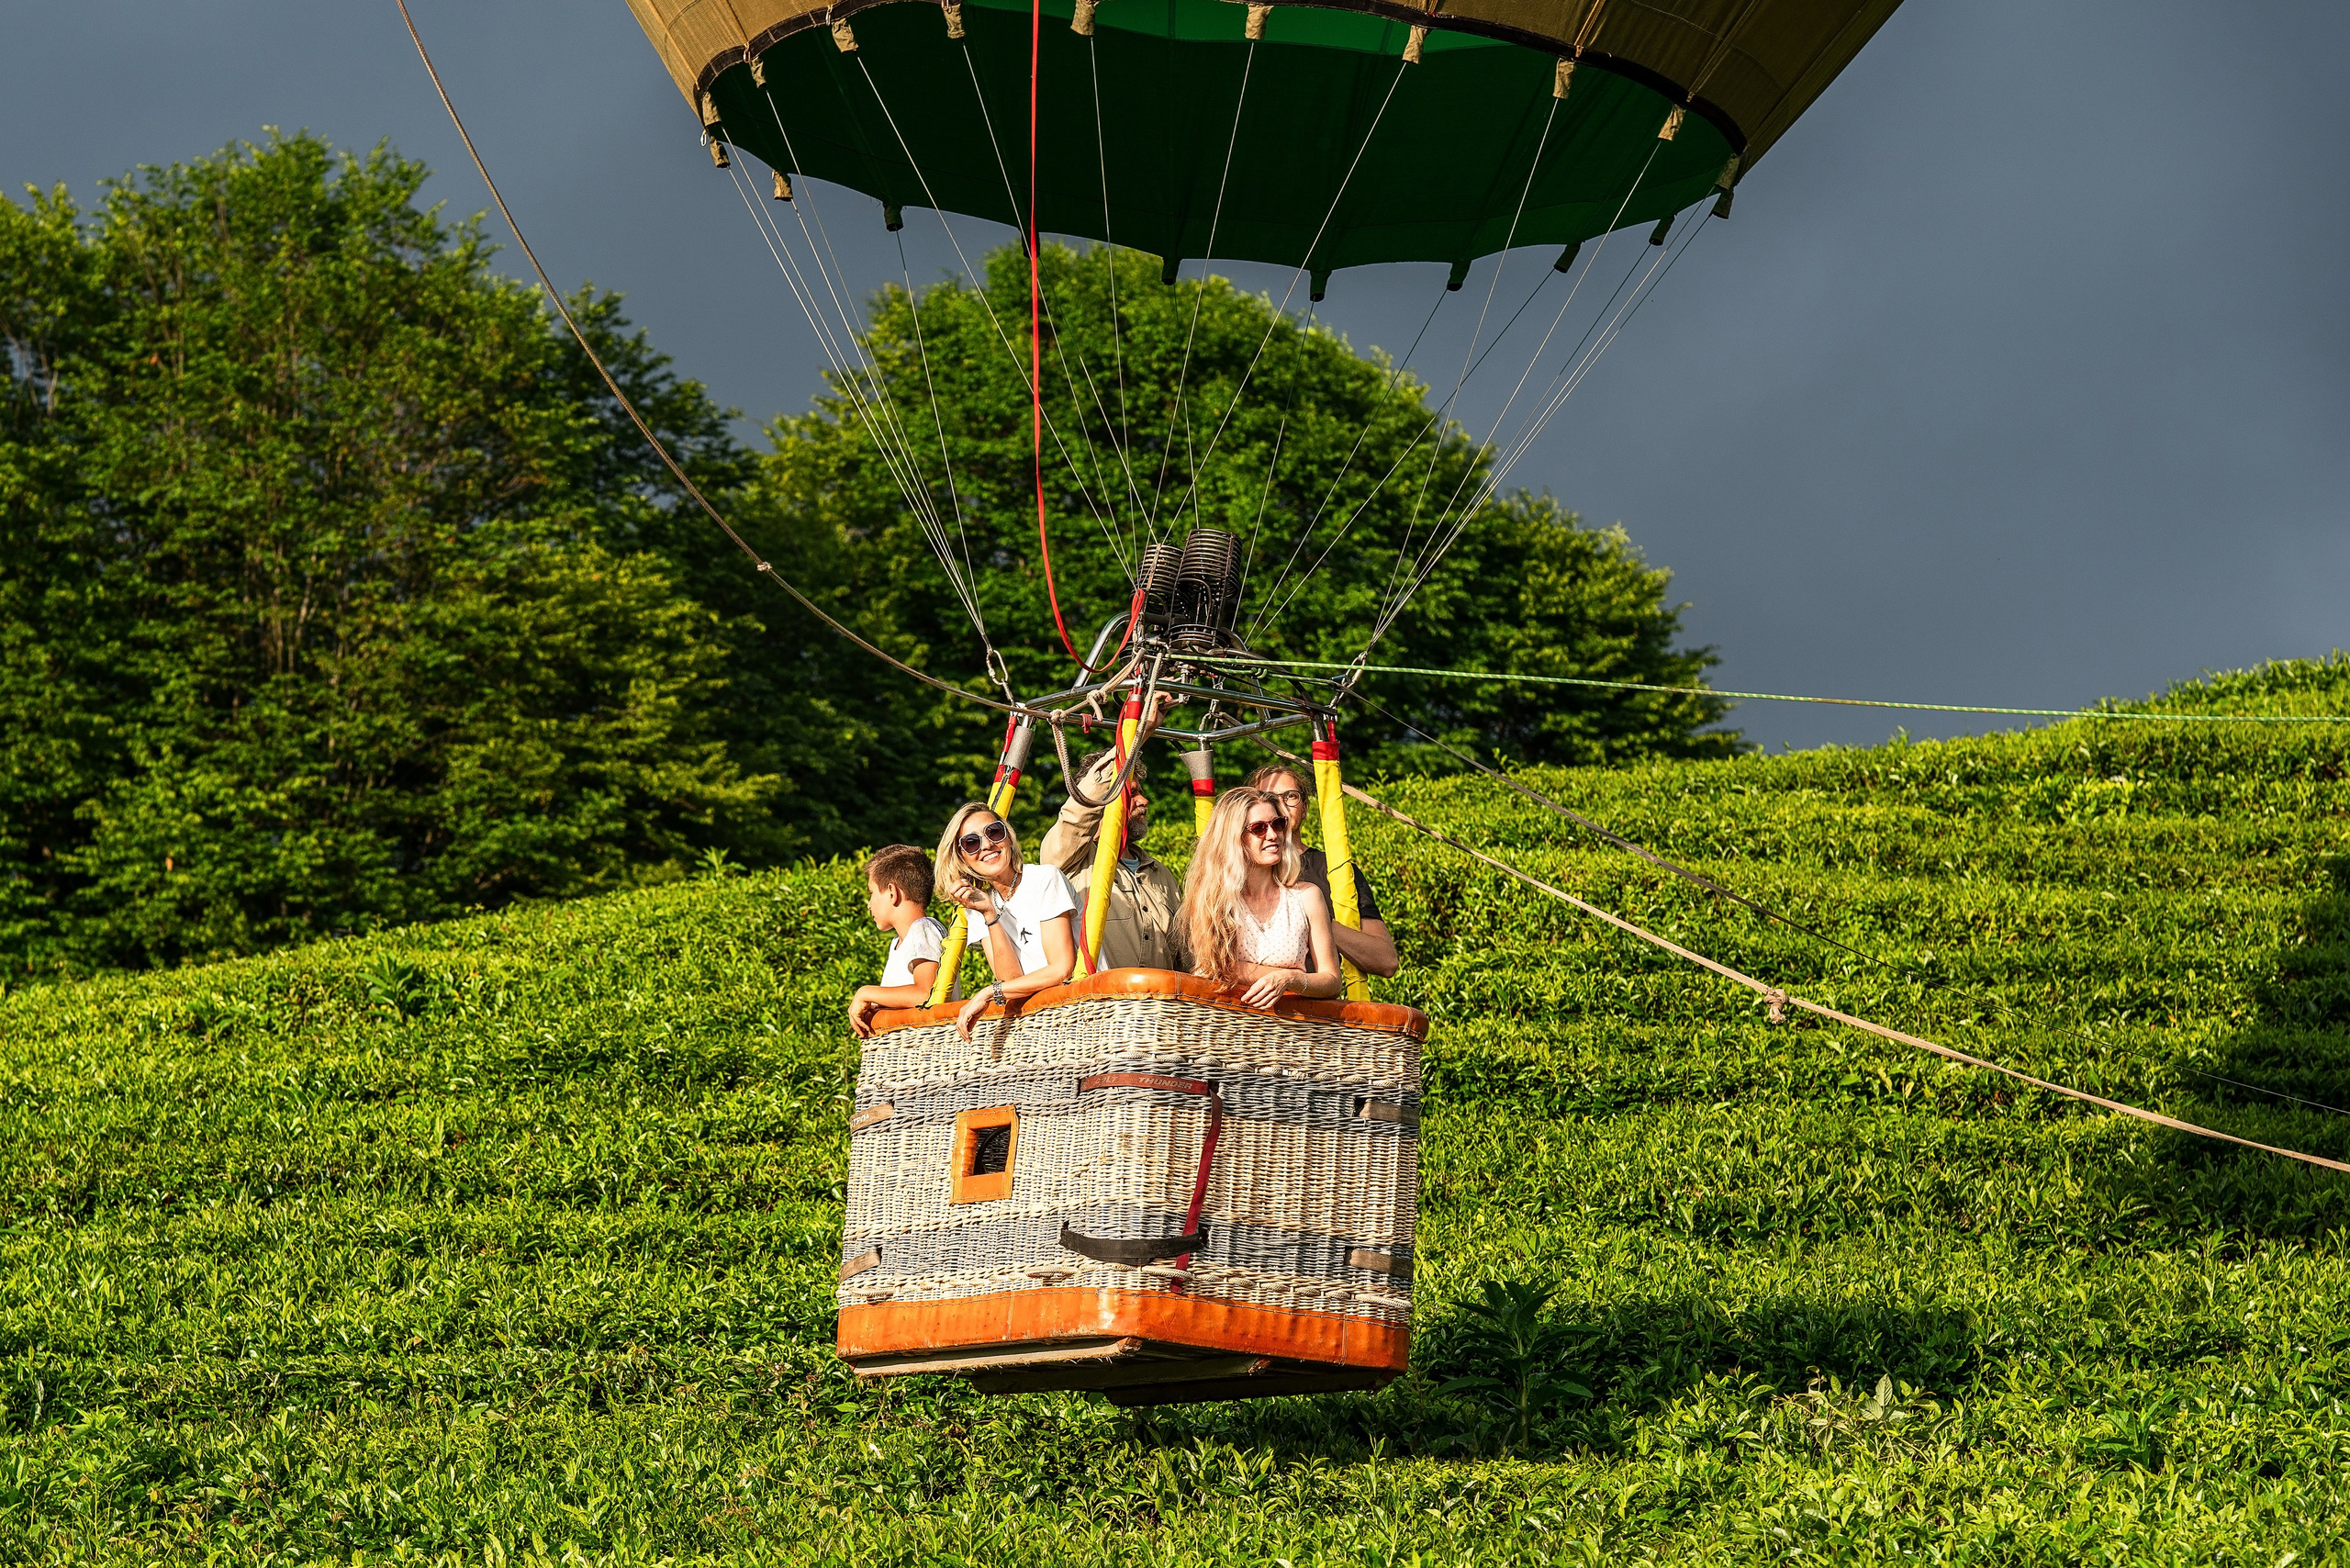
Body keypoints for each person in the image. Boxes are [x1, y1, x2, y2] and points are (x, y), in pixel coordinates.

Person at [1038, 692, 1186, 972]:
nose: (1144, 801)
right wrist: (1139, 732)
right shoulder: (1068, 859)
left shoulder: (1160, 874)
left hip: (1160, 1000)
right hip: (1097, 999)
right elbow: (1082, 807)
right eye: (1132, 793)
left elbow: (1185, 954)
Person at [1181, 787, 1342, 1009]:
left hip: (1291, 1024)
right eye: (1259, 828)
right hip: (1226, 1023)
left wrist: (1290, 978)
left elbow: (1332, 981)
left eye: (1278, 824)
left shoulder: (1307, 896)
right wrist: (1280, 974)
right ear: (1234, 837)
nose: (1273, 835)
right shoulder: (1212, 898)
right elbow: (1211, 968)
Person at [1239, 763, 1400, 979]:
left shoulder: (1336, 870)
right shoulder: (1233, 874)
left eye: (1290, 796)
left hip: (1314, 995)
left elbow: (1386, 961)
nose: (1280, 804)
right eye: (1269, 797)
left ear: (1304, 808)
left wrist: (1316, 920)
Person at [934, 801, 1079, 1040]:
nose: (987, 845)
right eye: (971, 842)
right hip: (1043, 1026)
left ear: (1009, 838)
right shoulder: (977, 907)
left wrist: (988, 992)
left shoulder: (1044, 878)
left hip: (1082, 1013)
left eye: (994, 832)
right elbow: (1012, 982)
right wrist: (989, 915)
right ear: (963, 858)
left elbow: (1062, 970)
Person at [847, 844, 951, 1039]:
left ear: (892, 893)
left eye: (871, 893)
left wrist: (866, 993)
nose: (869, 905)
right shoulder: (899, 942)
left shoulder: (923, 929)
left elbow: (926, 994)